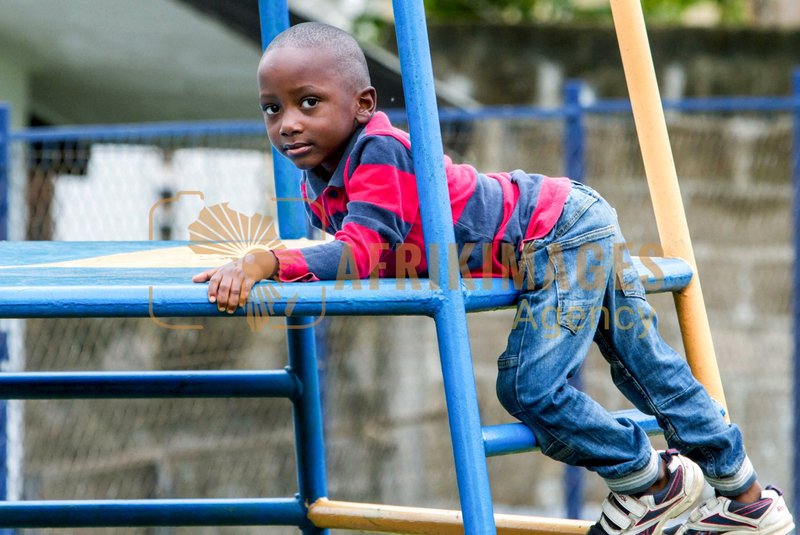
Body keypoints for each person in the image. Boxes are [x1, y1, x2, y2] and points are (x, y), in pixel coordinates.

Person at [192, 21, 794, 535]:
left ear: (364, 105)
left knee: (531, 387)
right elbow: (367, 243)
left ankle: (651, 482)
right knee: (645, 365)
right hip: (566, 217)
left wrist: (266, 260)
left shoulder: (379, 152)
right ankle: (747, 500)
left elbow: (363, 249)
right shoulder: (321, 174)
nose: (288, 124)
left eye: (309, 103)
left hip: (555, 236)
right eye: (273, 108)